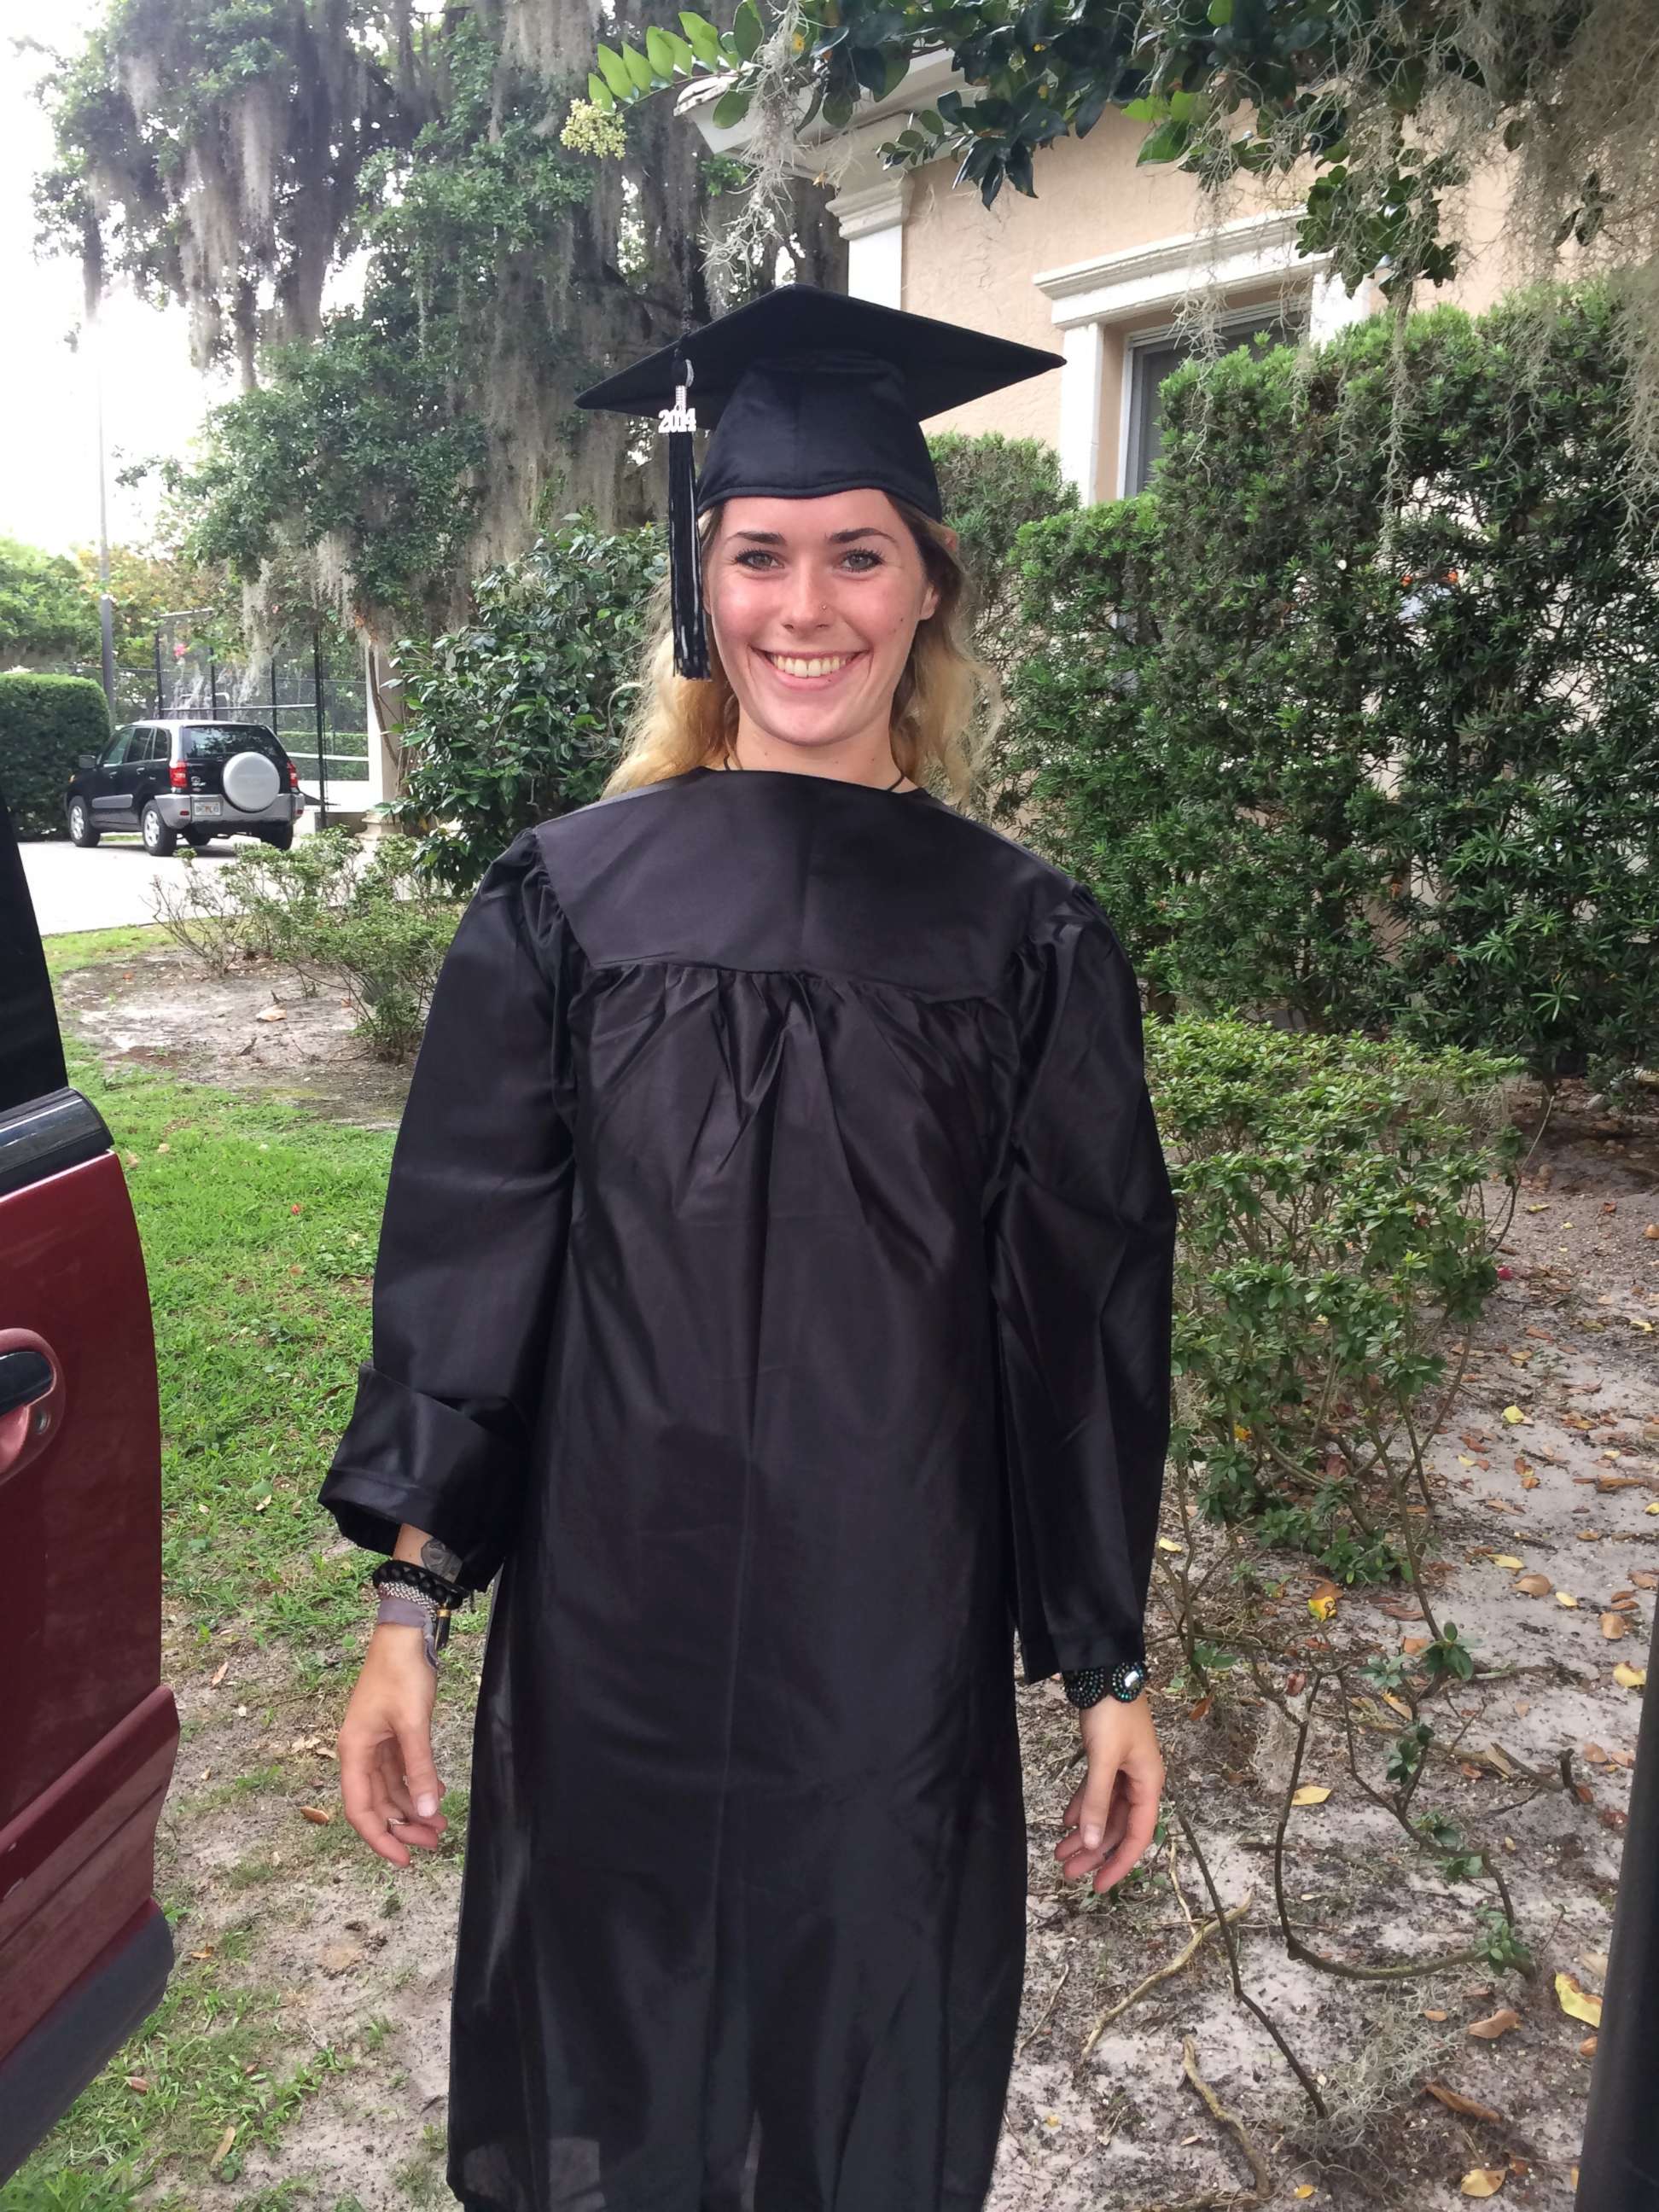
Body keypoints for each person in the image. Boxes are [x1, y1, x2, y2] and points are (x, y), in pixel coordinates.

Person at [318, 283, 1179, 2212]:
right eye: (762, 555)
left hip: (891, 1632)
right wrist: (407, 1602)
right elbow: (473, 1264)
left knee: (858, 2045)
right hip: (615, 1619)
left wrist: (1103, 1654)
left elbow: (1081, 1308)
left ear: (929, 584)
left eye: (856, 556)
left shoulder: (1023, 940)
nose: (809, 608)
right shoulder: (564, 904)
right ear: (703, 589)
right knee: (613, 2050)